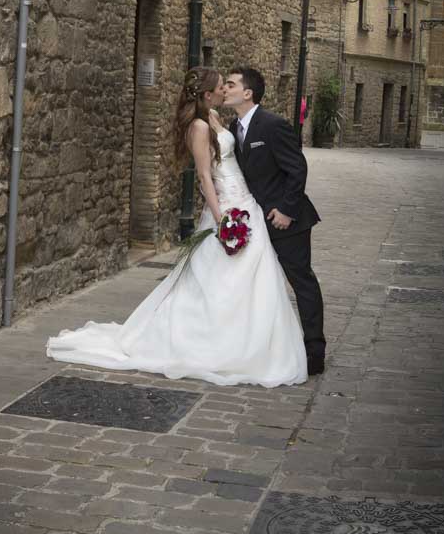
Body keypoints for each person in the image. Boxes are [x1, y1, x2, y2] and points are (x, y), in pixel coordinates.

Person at [46, 67, 307, 388]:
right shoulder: (199, 126)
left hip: (247, 202)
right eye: (221, 86)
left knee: (256, 273)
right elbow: (205, 176)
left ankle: (253, 343)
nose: (225, 89)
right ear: (208, 93)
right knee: (220, 278)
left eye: (229, 84)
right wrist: (221, 218)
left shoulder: (215, 118)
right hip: (227, 206)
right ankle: (212, 343)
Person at [224, 67, 326, 376]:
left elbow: (297, 168)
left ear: (248, 93)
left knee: (302, 282)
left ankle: (315, 352)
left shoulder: (273, 125)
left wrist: (286, 210)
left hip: (286, 222)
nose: (225, 88)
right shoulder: (233, 127)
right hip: (254, 221)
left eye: (230, 84)